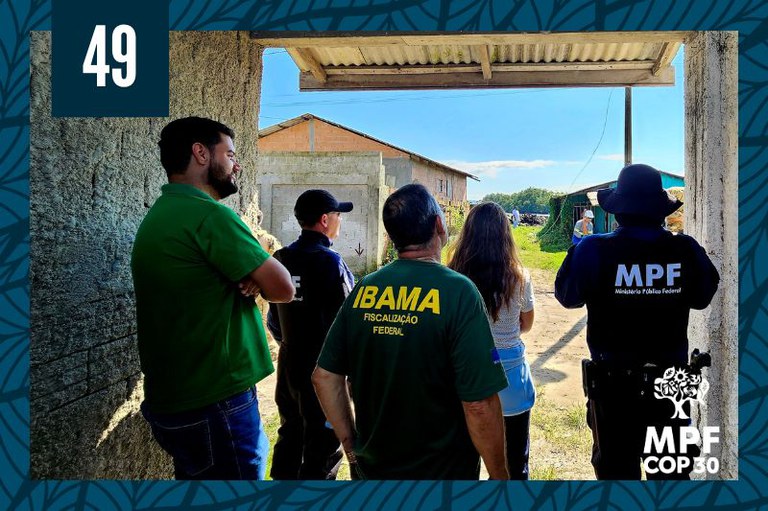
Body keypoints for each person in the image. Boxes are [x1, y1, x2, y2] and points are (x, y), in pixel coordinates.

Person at [131, 117, 295, 480]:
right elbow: (283, 287)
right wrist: (257, 274)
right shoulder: (209, 215)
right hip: (216, 401)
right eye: (231, 154)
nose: (237, 165)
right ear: (201, 153)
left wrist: (252, 276)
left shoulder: (162, 214)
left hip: (178, 399)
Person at [312, 184, 509, 480]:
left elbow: (324, 377)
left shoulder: (366, 288)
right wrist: (499, 476)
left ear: (392, 236)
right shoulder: (458, 292)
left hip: (374, 475)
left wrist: (352, 449)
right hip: (442, 477)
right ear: (439, 226)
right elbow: (479, 403)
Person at [554, 163, 720, 480]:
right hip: (671, 385)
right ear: (660, 211)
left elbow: (567, 295)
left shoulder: (593, 249)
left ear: (617, 211)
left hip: (613, 388)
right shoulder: (683, 249)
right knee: (670, 478)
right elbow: (702, 297)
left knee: (617, 477)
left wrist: (578, 248)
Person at [267, 189, 355, 480]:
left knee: (289, 434)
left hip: (289, 363)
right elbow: (346, 323)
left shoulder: (281, 258)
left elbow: (274, 321)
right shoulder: (331, 262)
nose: (340, 220)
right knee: (324, 445)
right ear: (324, 220)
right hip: (323, 369)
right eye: (338, 215)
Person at [448, 202, 536, 480]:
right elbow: (527, 324)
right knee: (514, 467)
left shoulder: (453, 276)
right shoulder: (519, 276)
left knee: (463, 467)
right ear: (505, 234)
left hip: (464, 382)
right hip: (511, 383)